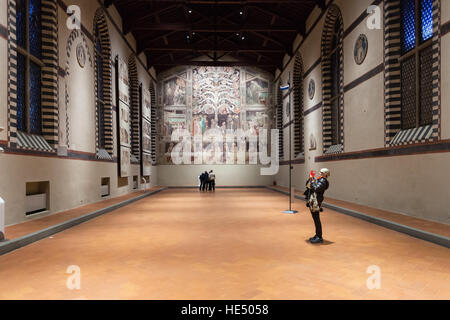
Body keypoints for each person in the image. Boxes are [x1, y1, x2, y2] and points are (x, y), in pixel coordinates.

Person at [305, 168, 330, 244]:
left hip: (316, 200)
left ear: (326, 174)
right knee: (315, 218)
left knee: (316, 219)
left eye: (322, 172)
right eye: (320, 172)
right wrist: (310, 179)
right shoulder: (319, 179)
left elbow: (316, 188)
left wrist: (312, 180)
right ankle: (317, 235)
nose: (320, 173)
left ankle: (319, 237)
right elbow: (308, 186)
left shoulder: (323, 181)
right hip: (314, 200)